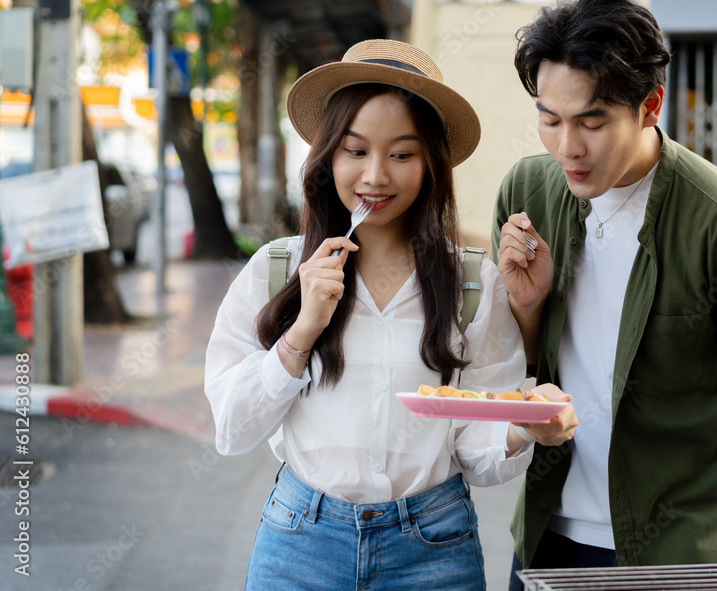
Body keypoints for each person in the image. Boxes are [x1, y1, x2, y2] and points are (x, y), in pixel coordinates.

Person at [492, 0, 717, 587]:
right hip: (548, 533)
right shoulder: (528, 194)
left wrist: (691, 432)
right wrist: (527, 304)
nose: (568, 146)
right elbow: (515, 361)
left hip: (679, 550)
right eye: (549, 119)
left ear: (650, 105)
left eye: (592, 120)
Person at [205, 39, 542, 591]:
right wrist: (301, 332)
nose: (376, 176)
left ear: (432, 164)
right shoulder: (277, 269)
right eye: (356, 151)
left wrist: (519, 430)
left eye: (402, 154)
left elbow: (476, 453)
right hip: (301, 544)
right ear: (327, 155)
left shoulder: (474, 283)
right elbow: (232, 429)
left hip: (434, 548)